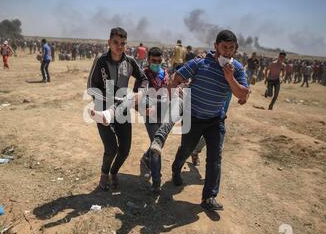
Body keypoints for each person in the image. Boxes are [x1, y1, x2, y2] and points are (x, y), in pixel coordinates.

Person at [167, 30, 249, 211]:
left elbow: (243, 95)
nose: (227, 52)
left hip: (215, 120)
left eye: (231, 48)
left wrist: (230, 78)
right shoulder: (200, 62)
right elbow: (176, 77)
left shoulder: (237, 68)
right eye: (224, 47)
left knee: (215, 157)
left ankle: (209, 197)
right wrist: (173, 94)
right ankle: (176, 168)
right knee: (186, 148)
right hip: (193, 116)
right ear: (216, 46)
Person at [87, 27, 148, 191]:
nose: (119, 46)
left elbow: (143, 78)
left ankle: (114, 172)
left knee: (125, 149)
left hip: (123, 111)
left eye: (123, 43)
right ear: (109, 42)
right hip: (102, 111)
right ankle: (104, 175)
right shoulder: (100, 60)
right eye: (116, 42)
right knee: (111, 148)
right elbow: (91, 86)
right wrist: (103, 101)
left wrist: (140, 92)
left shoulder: (129, 61)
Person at [132, 47, 169, 193]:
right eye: (154, 61)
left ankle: (146, 158)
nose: (157, 63)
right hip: (149, 115)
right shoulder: (143, 76)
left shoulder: (165, 73)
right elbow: (135, 99)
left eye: (159, 61)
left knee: (158, 143)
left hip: (163, 114)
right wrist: (143, 110)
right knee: (156, 147)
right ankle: (156, 181)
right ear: (148, 60)